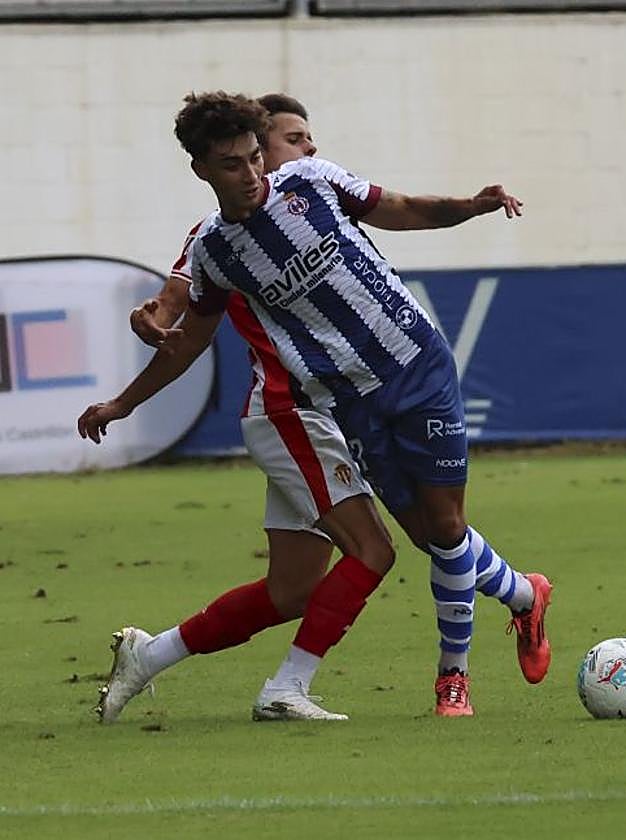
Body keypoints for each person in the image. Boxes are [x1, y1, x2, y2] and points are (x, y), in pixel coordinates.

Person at [78, 91, 551, 720]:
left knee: (436, 531)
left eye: (254, 159)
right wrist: (126, 396)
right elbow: (182, 323)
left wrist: (470, 206)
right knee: (392, 548)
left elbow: (398, 207)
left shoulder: (309, 181)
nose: (250, 175)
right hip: (337, 403)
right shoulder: (214, 248)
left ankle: (451, 679)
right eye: (231, 164)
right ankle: (522, 594)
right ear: (200, 169)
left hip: (413, 367)